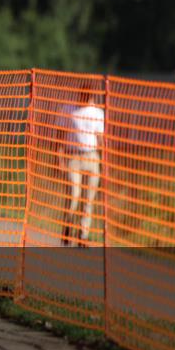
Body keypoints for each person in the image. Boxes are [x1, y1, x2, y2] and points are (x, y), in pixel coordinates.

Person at [59, 87, 105, 246]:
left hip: (92, 157)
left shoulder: (98, 113)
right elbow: (60, 134)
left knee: (88, 199)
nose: (86, 99)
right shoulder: (69, 109)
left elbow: (100, 139)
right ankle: (68, 226)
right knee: (74, 194)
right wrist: (59, 158)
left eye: (89, 96)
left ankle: (83, 235)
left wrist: (103, 161)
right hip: (74, 156)